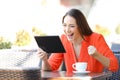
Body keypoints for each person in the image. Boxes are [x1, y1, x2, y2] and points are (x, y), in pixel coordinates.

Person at [37, 8, 119, 73]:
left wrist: (96, 55)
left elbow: (114, 66)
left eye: (72, 26)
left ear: (81, 27)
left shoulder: (96, 38)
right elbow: (49, 69)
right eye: (64, 25)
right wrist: (44, 60)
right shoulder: (64, 39)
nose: (67, 30)